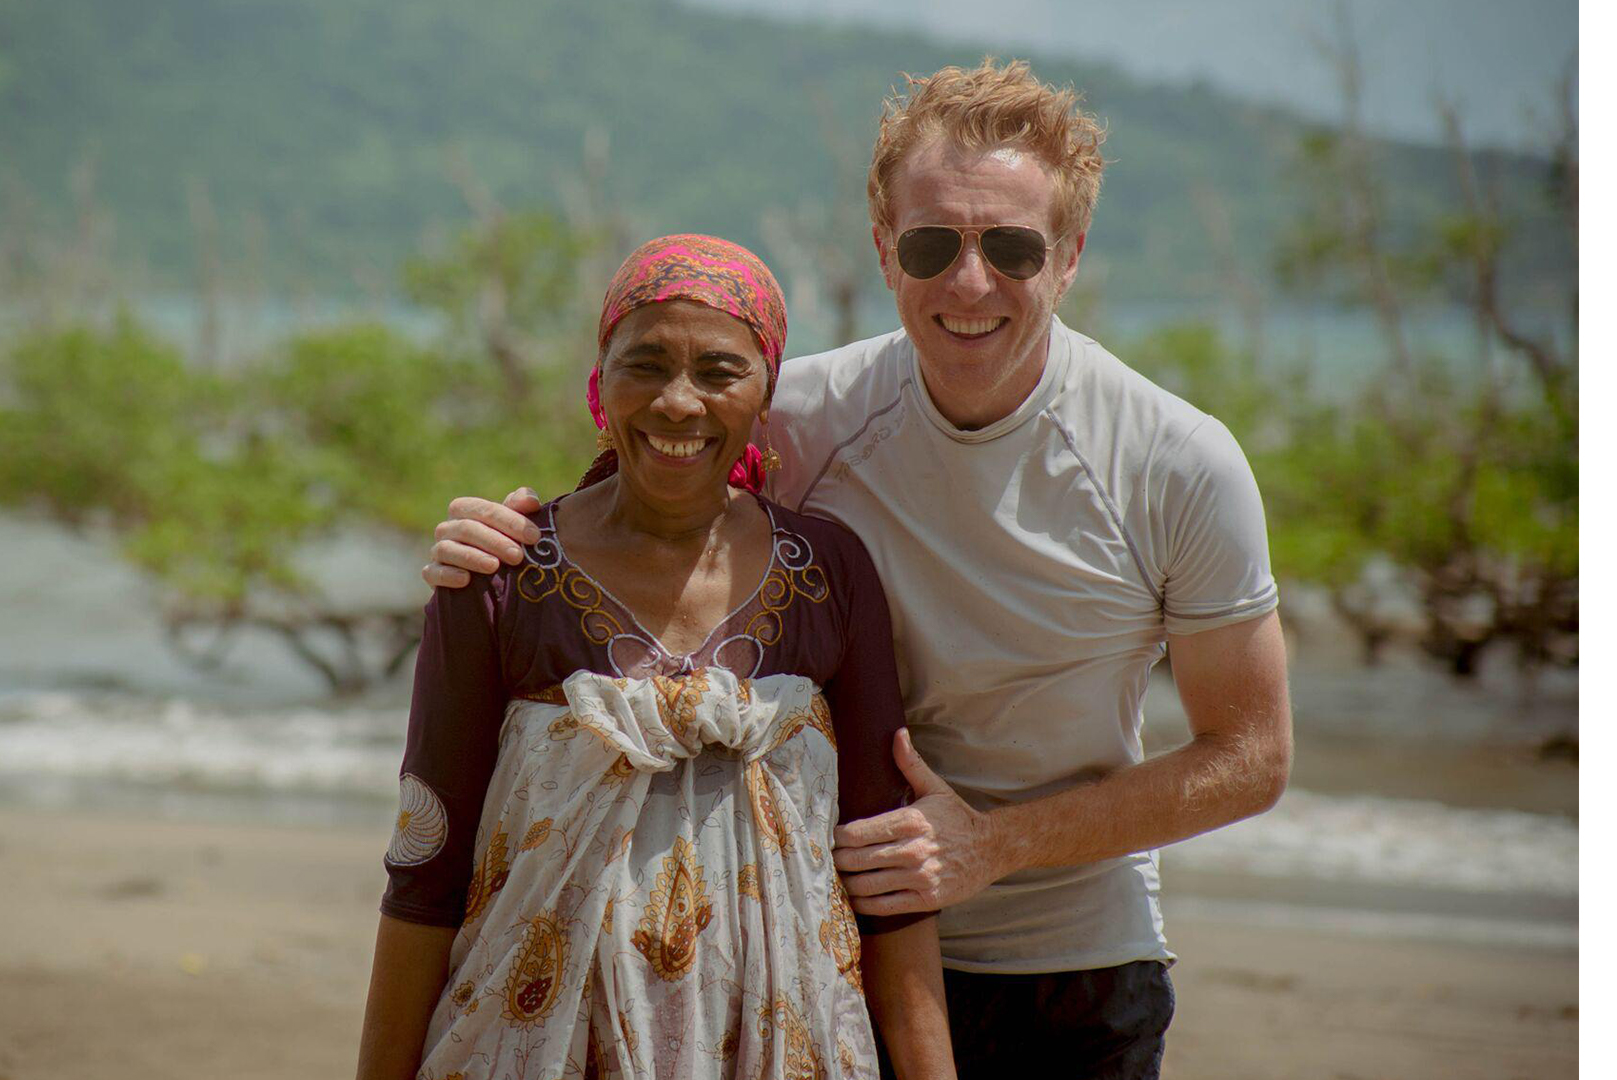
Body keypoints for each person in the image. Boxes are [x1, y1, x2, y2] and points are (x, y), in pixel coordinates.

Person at [422, 61, 1294, 1079]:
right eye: (933, 244)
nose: (969, 282)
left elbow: (1250, 755)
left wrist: (993, 845)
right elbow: (641, 507)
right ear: (885, 248)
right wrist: (498, 538)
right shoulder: (801, 422)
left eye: (1011, 247)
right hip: (824, 956)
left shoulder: (1176, 461)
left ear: (1069, 257)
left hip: (1079, 966)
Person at [357, 234, 957, 1080]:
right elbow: (425, 865)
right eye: (646, 366)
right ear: (600, 388)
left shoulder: (829, 574)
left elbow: (884, 877)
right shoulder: (500, 581)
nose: (679, 403)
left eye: (719, 371)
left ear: (764, 394)